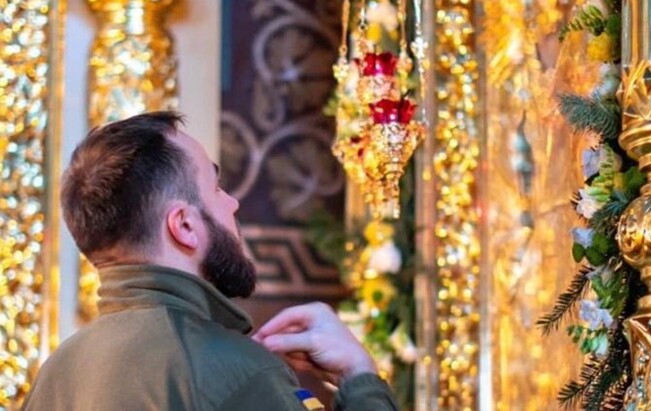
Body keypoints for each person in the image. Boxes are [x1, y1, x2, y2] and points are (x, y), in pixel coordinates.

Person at [22, 112, 399, 411]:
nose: (232, 203)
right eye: (215, 188)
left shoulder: (55, 374)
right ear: (184, 225)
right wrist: (360, 379)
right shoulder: (238, 372)